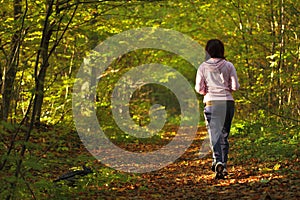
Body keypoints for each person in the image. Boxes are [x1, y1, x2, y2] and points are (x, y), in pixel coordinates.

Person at [195, 39, 240, 179]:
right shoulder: (229, 65)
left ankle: (218, 161)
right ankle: (223, 165)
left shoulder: (203, 67)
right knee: (224, 135)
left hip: (211, 103)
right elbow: (235, 87)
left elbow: (199, 88)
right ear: (222, 50)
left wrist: (206, 91)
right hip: (227, 103)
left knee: (215, 134)